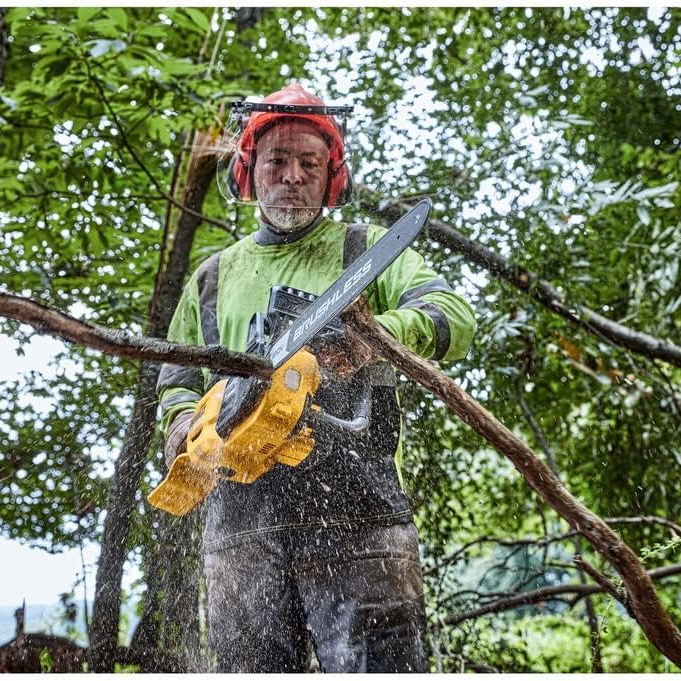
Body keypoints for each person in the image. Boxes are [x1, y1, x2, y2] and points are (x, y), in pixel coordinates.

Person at [155, 82, 476, 673]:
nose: (293, 175)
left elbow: (453, 316)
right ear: (250, 172)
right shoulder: (212, 277)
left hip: (359, 515)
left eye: (310, 162)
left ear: (333, 176)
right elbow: (177, 376)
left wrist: (372, 336)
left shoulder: (369, 249)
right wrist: (182, 424)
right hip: (241, 524)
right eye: (277, 160)